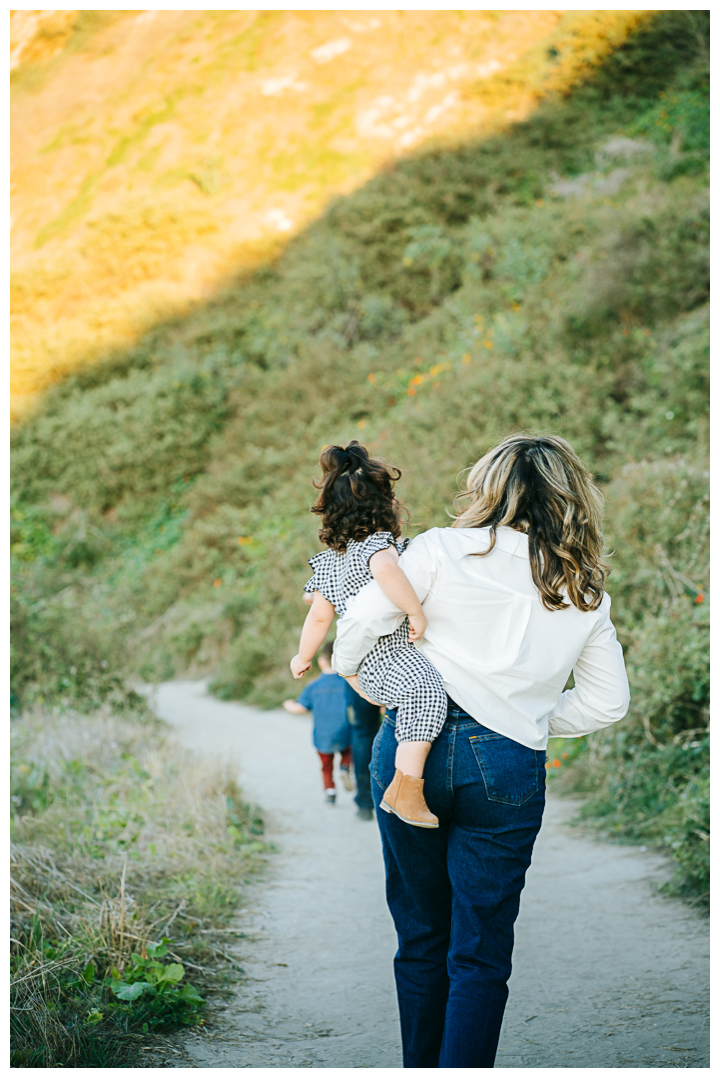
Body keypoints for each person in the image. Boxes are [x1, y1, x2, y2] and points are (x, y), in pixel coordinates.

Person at [332, 433, 631, 1068]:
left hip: (414, 743)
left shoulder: (439, 550)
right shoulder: (582, 590)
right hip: (507, 762)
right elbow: (607, 703)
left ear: (488, 488)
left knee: (420, 937)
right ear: (571, 498)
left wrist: (362, 678)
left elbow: (360, 621)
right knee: (480, 952)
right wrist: (526, 720)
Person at [289, 441, 447, 828]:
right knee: (426, 694)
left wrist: (303, 656)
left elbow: (318, 620)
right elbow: (388, 574)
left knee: (401, 708)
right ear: (385, 505)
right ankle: (406, 788)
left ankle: (399, 786)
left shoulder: (330, 562)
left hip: (366, 667)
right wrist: (415, 611)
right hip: (390, 655)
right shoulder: (378, 547)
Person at [282, 642, 353, 804]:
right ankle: (344, 767)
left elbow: (300, 708)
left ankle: (330, 793)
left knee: (326, 766)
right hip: (344, 731)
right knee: (349, 750)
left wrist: (288, 705)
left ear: (321, 662)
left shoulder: (313, 686)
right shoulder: (348, 684)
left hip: (322, 735)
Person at [345, 681, 383, 821]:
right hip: (407, 668)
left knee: (363, 733)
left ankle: (365, 804)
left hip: (363, 672)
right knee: (405, 726)